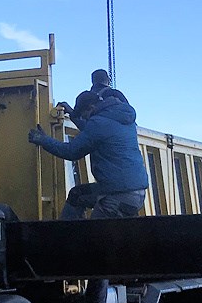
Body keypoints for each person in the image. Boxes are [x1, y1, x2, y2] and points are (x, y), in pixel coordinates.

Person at [29, 81, 147, 220]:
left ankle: (66, 239)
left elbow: (72, 151)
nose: (86, 119)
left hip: (117, 195)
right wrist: (74, 115)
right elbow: (93, 133)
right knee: (77, 195)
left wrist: (43, 140)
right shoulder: (119, 117)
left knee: (92, 237)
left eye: (85, 116)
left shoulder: (98, 122)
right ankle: (66, 233)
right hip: (134, 191)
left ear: (91, 107)